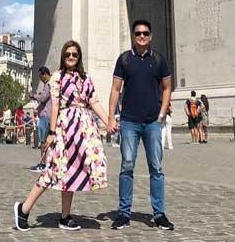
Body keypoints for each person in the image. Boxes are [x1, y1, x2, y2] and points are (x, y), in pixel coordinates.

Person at [14, 40, 112, 231]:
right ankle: (24, 210)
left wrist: (108, 121)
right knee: (54, 169)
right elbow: (55, 106)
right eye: (68, 54)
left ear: (79, 57)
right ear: (63, 57)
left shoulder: (86, 78)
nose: (71, 57)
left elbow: (94, 101)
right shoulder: (57, 78)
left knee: (73, 171)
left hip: (84, 129)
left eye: (75, 54)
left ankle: (65, 217)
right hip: (65, 128)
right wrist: (51, 132)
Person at [108, 19, 175, 231]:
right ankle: (123, 213)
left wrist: (162, 114)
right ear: (133, 36)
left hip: (153, 123)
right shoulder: (124, 59)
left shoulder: (159, 59)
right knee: (127, 166)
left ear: (151, 36)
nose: (142, 36)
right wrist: (111, 117)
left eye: (145, 33)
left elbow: (167, 87)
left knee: (156, 168)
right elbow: (115, 89)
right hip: (129, 122)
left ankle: (159, 213)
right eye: (138, 33)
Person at [29, 67, 52, 172]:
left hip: (46, 116)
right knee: (46, 141)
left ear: (45, 74)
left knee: (43, 141)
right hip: (47, 114)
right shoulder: (49, 84)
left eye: (40, 76)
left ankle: (42, 164)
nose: (40, 79)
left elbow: (43, 98)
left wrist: (33, 96)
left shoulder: (48, 84)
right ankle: (46, 163)